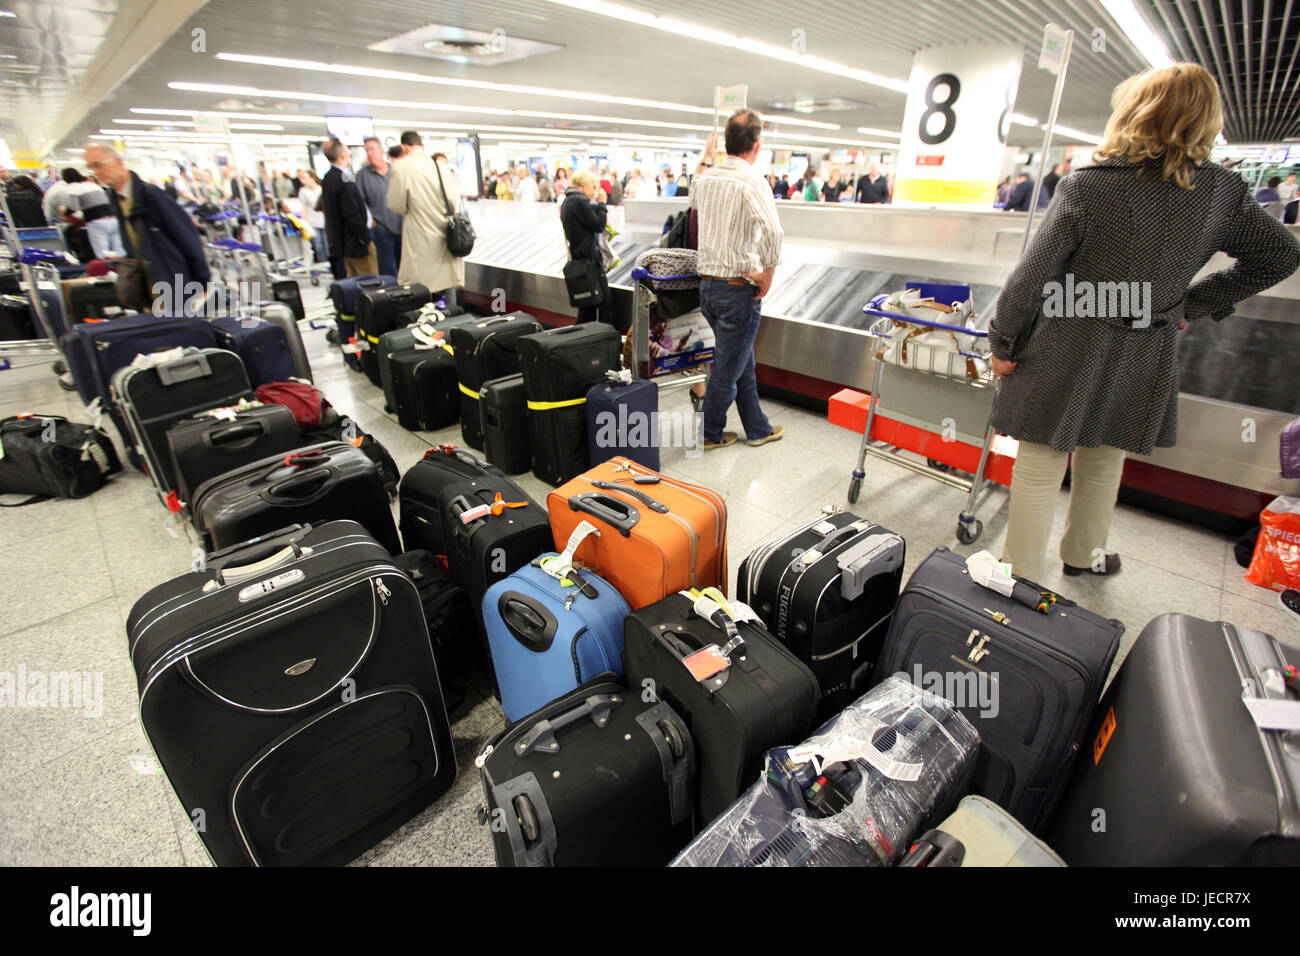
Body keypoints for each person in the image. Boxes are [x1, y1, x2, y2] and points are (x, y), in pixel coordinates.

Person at [990, 62, 1300, 582]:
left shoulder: (1087, 187)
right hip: (1146, 347)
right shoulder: (1222, 192)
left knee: (1042, 459)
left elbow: (1033, 277)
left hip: (1069, 336)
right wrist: (1189, 303)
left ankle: (1019, 578)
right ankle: (1084, 556)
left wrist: (1004, 341)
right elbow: (1280, 255)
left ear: (1135, 114)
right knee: (1106, 456)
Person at [690, 109, 786, 451]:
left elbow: (691, 196)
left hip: (708, 291)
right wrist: (768, 273)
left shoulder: (707, 179)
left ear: (726, 143)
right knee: (727, 373)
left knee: (741, 361)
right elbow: (773, 231)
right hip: (736, 290)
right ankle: (709, 433)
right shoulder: (752, 181)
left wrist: (705, 155)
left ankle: (757, 427)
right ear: (756, 146)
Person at [84, 144, 210, 312]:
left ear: (118, 162)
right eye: (90, 167)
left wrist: (202, 280)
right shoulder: (115, 198)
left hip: (172, 282)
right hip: (146, 287)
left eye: (98, 165)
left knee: (181, 331)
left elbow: (187, 237)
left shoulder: (151, 196)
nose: (95, 172)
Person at [386, 132, 465, 308]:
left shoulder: (401, 166)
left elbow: (396, 205)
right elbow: (453, 202)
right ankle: (452, 322)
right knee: (447, 283)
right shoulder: (439, 165)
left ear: (404, 147)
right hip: (446, 237)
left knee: (420, 291)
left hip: (420, 239)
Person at [560, 169, 619, 329]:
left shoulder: (568, 202)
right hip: (590, 263)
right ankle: (605, 339)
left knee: (587, 308)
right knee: (605, 306)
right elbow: (598, 225)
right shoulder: (578, 201)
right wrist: (602, 204)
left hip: (581, 260)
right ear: (583, 185)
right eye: (593, 187)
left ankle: (585, 342)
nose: (595, 192)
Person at [321, 137, 377, 279]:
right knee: (369, 280)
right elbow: (351, 213)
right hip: (355, 243)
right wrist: (364, 237)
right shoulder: (343, 179)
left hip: (343, 243)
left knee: (355, 282)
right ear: (342, 155)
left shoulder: (329, 178)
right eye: (346, 150)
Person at [356, 136, 403, 277]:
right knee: (387, 268)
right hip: (381, 229)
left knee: (405, 268)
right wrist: (370, 221)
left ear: (382, 150)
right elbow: (360, 202)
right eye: (367, 151)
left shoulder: (397, 170)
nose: (370, 153)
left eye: (372, 149)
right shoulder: (362, 175)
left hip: (402, 227)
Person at [59, 168, 126, 258]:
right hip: (112, 218)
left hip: (96, 221)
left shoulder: (72, 187)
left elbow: (74, 208)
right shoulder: (92, 185)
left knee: (103, 254)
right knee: (120, 251)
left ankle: (108, 271)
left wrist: (64, 211)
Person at [297, 169, 329, 266]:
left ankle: (331, 265)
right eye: (301, 179)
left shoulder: (322, 188)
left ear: (312, 178)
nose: (303, 181)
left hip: (324, 221)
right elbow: (303, 208)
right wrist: (304, 223)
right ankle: (323, 266)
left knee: (327, 245)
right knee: (318, 246)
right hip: (312, 222)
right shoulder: (303, 191)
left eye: (305, 178)